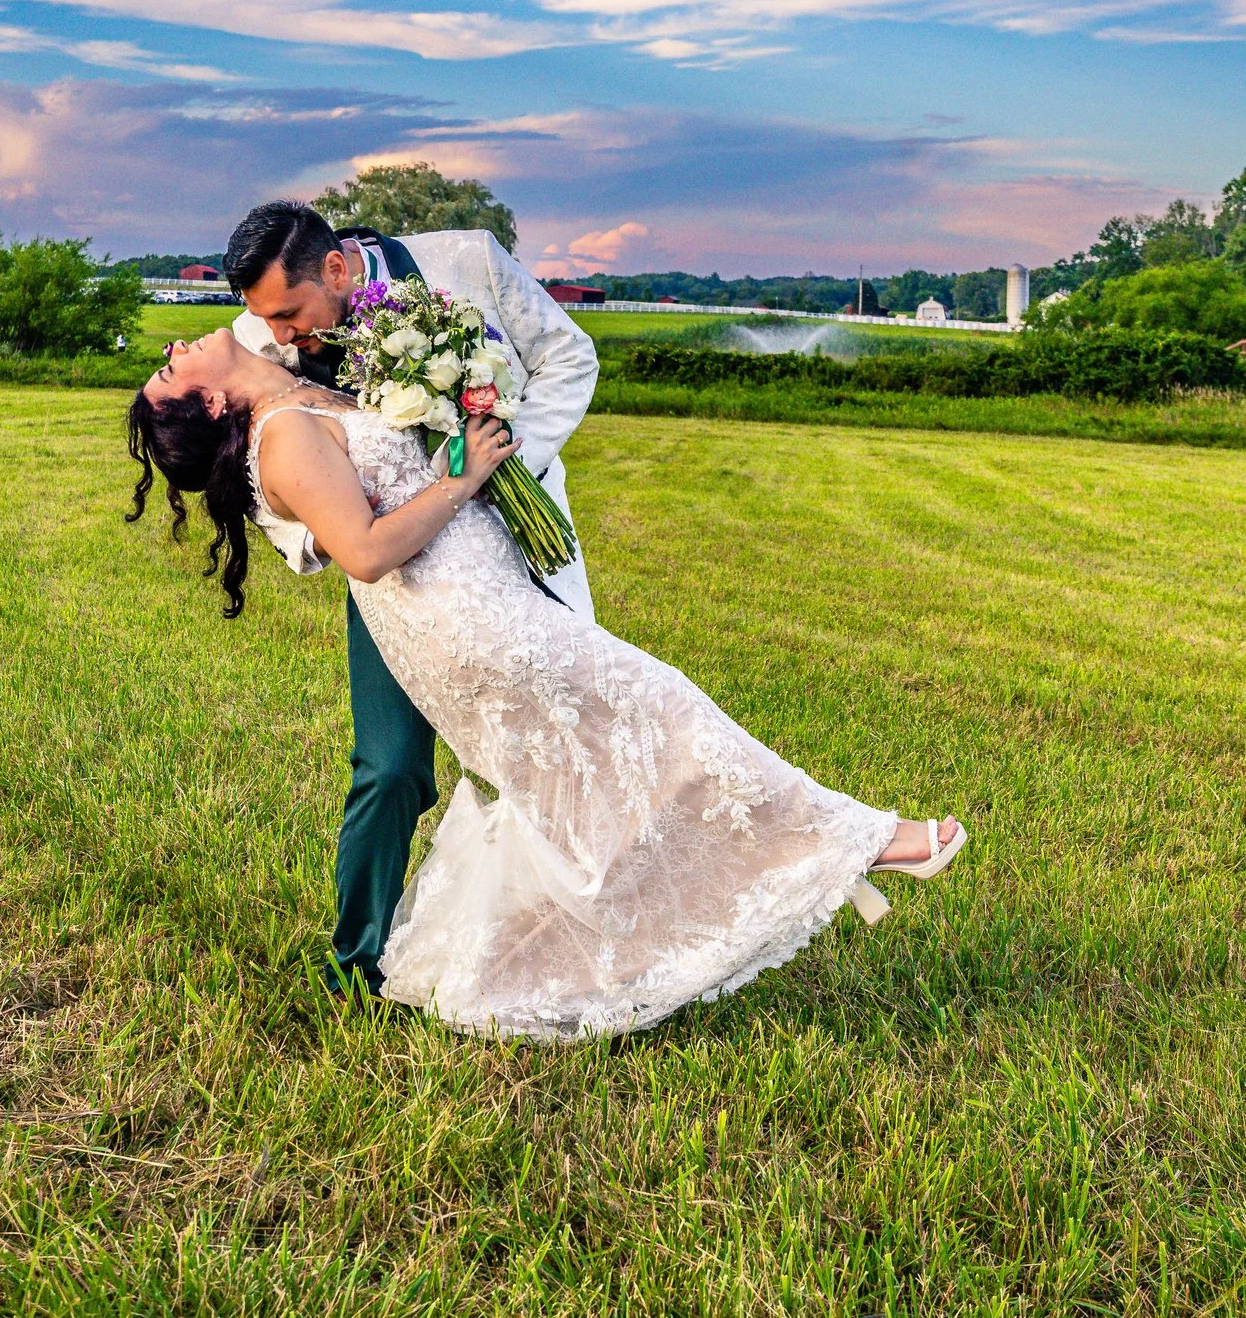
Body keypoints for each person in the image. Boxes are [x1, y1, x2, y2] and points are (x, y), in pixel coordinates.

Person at [126, 326, 968, 1042]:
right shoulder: (283, 434)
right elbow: (367, 551)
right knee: (664, 712)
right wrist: (462, 478)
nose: (171, 349)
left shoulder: (294, 389)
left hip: (484, 596)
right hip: (469, 622)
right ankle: (866, 839)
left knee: (590, 777)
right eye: (169, 370)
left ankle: (563, 952)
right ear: (206, 404)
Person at [220, 202, 599, 996]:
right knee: (390, 769)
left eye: (290, 314)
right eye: (266, 322)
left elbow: (571, 356)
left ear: (335, 269)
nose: (281, 337)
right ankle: (356, 964)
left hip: (513, 545)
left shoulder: (470, 261)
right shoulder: (260, 339)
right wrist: (326, 530)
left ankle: (576, 943)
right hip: (396, 570)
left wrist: (504, 460)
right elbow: (258, 472)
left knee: (568, 745)